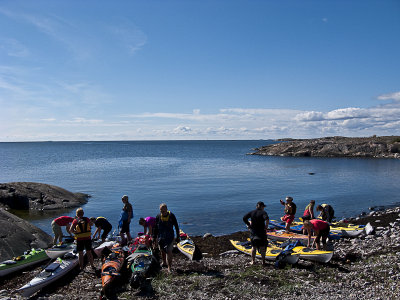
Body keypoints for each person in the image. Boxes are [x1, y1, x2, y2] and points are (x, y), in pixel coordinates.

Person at [153, 203, 180, 273]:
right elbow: (155, 227)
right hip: (161, 237)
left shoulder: (171, 216)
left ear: (167, 210)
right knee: (162, 250)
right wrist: (154, 237)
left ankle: (169, 267)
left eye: (163, 211)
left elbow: (176, 226)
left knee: (169, 251)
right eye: (161, 211)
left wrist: (178, 236)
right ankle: (164, 262)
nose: (162, 212)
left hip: (169, 236)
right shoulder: (158, 216)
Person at [242, 201, 269, 265]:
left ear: (257, 206)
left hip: (253, 232)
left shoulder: (252, 212)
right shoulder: (263, 212)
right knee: (262, 247)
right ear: (262, 207)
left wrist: (248, 224)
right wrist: (266, 226)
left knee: (253, 247)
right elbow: (267, 219)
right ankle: (263, 262)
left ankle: (253, 261)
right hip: (261, 232)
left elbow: (244, 218)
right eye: (263, 207)